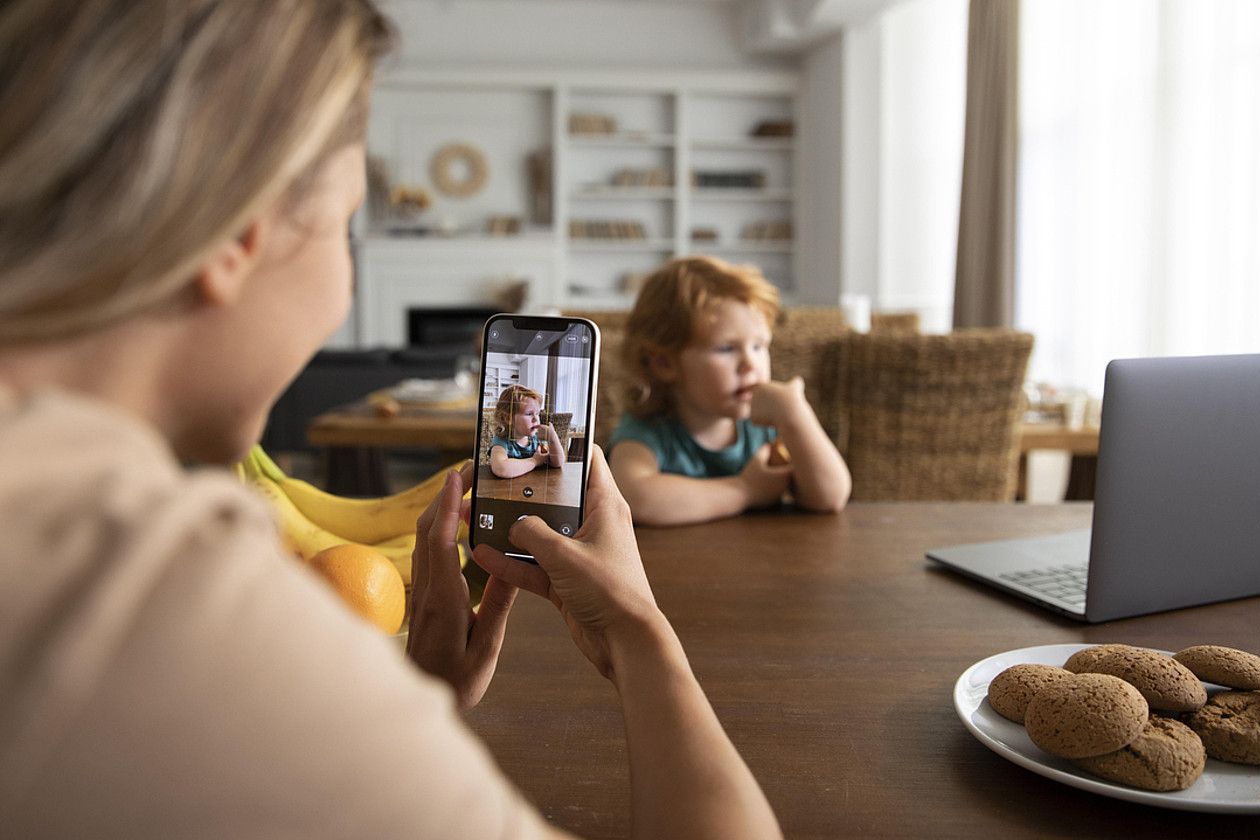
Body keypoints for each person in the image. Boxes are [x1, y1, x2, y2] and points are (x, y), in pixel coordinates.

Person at [0, 3, 782, 838]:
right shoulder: (151, 588)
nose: (343, 280)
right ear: (237, 236)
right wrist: (638, 634)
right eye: (344, 224)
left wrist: (415, 715)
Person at [607, 257, 851, 526]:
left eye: (759, 346)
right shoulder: (648, 431)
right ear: (664, 363)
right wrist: (744, 490)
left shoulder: (765, 426)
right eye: (727, 349)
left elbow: (830, 497)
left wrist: (797, 417)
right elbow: (636, 499)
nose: (750, 364)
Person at [488, 384, 564, 478]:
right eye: (529, 414)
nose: (536, 419)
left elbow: (557, 463)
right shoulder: (501, 441)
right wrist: (534, 461)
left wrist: (553, 438)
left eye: (537, 413)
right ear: (508, 418)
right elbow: (502, 469)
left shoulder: (537, 439)